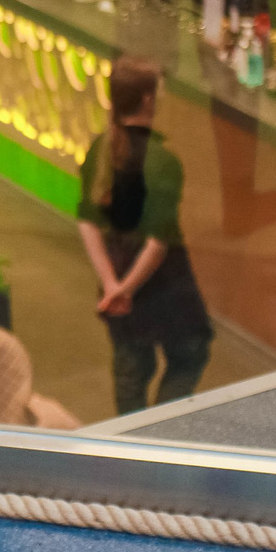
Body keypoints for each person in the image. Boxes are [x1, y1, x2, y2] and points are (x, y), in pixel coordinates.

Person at [78, 57, 213, 415]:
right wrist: (129, 289)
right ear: (147, 100)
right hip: (163, 283)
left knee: (130, 370)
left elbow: (87, 222)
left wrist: (112, 286)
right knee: (191, 351)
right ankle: (165, 430)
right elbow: (157, 242)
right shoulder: (164, 163)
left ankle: (131, 442)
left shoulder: (99, 149)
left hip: (118, 268)